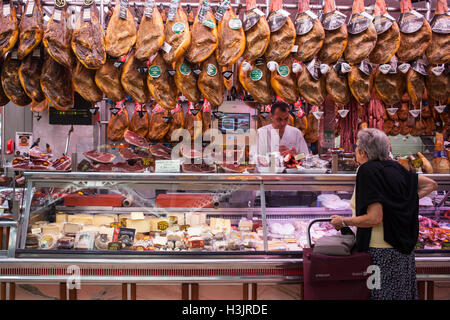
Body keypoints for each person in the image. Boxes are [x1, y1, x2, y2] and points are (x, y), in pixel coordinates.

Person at [330, 128, 438, 300]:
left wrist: (343, 222)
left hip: (380, 254)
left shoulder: (366, 171)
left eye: (357, 147)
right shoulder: (396, 167)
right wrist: (402, 202)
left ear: (363, 152)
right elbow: (431, 184)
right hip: (403, 253)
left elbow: (374, 218)